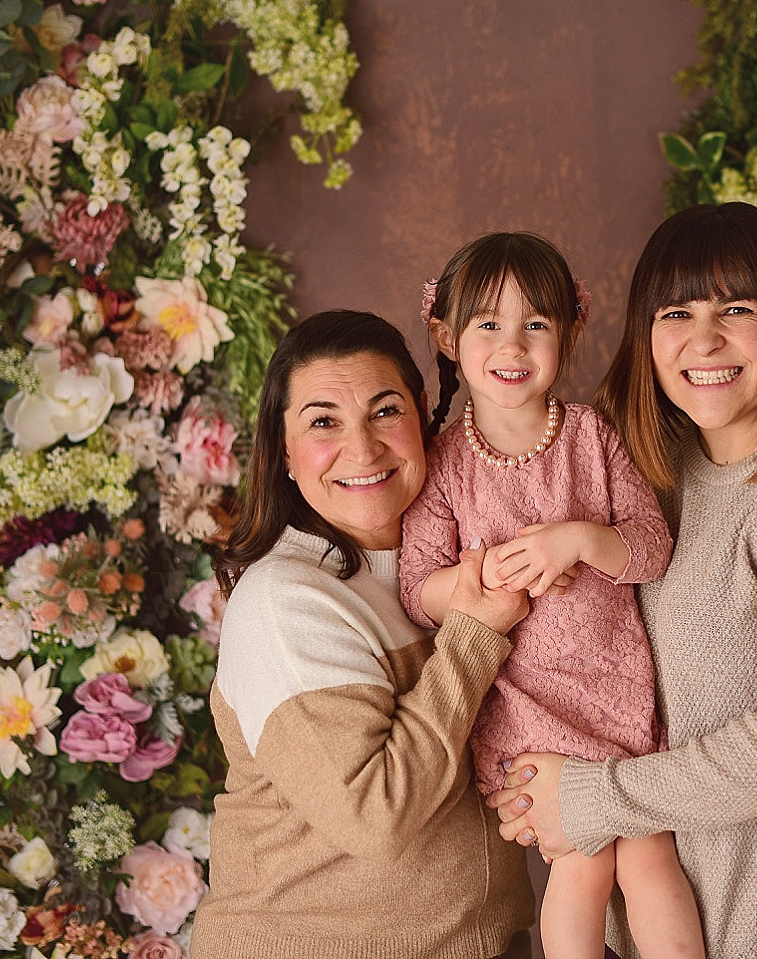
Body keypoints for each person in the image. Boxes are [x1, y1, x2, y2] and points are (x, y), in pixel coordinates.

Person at [488, 203, 757, 959]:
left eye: (738, 309)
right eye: (677, 313)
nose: (704, 339)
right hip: (643, 927)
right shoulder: (659, 468)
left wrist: (591, 798)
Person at [190, 310, 536, 959]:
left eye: (385, 411)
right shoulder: (285, 600)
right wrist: (472, 636)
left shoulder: (451, 564)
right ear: (284, 451)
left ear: (421, 414)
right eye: (323, 422)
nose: (364, 447)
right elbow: (375, 815)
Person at [401, 233, 705, 959]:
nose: (513, 345)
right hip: (522, 707)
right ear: (445, 336)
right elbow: (417, 589)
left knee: (650, 853)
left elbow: (651, 547)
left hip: (612, 688)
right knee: (582, 860)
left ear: (570, 331)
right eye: (488, 324)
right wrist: (475, 581)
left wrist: (579, 539)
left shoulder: (593, 437)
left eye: (535, 323)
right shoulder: (446, 465)